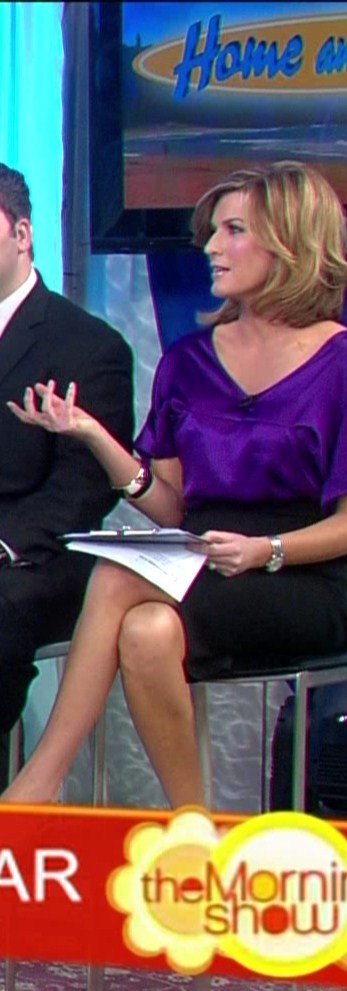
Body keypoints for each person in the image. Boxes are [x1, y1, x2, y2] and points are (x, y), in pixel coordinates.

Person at [1, 160, 347, 808]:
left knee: (115, 578)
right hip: (203, 563)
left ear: (289, 242)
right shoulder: (188, 361)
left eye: (233, 230)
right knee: (145, 632)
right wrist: (92, 435)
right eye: (212, 231)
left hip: (298, 577)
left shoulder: (343, 364)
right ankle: (193, 824)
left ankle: (38, 784)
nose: (211, 246)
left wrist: (265, 550)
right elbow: (174, 508)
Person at [0, 163, 134, 790]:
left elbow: (82, 492)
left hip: (36, 558)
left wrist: (5, 544)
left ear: (22, 234)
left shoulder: (89, 346)